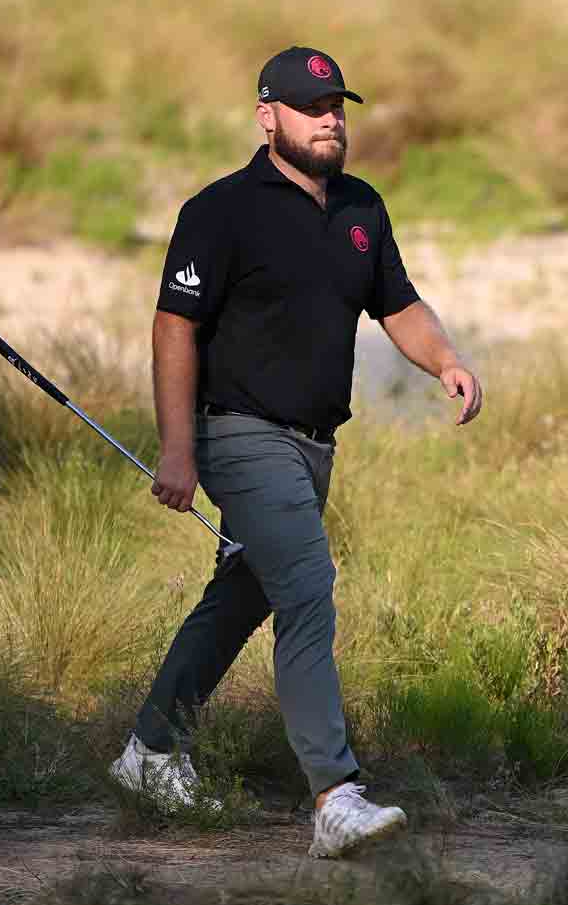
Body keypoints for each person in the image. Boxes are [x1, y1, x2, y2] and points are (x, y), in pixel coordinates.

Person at [109, 45, 483, 859]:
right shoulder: (221, 211)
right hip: (238, 434)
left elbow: (400, 305)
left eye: (338, 107)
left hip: (315, 446)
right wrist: (177, 451)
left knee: (245, 595)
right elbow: (174, 328)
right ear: (266, 115)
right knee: (309, 585)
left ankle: (150, 752)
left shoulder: (360, 208)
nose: (329, 121)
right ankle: (334, 794)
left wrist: (447, 362)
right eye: (311, 107)